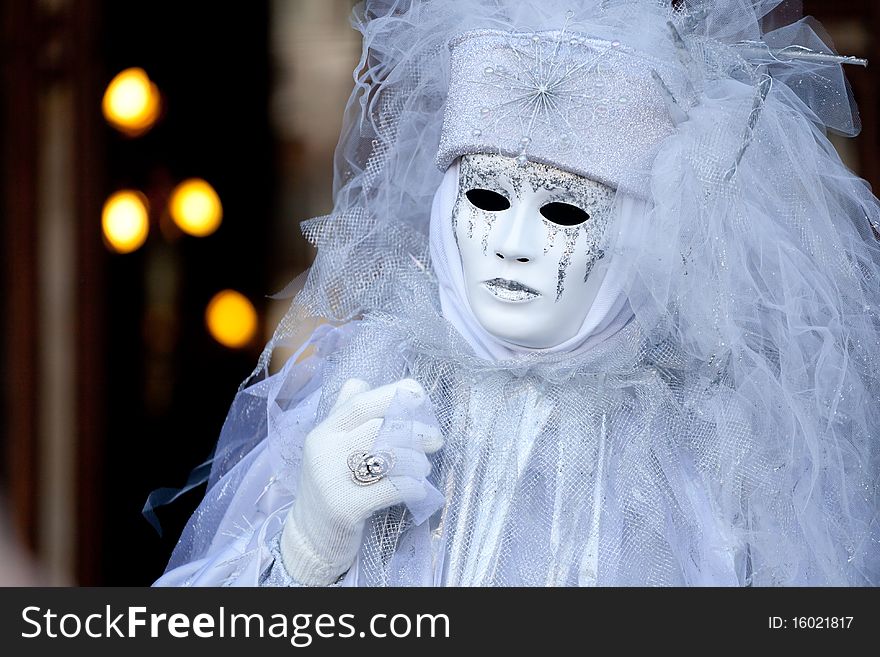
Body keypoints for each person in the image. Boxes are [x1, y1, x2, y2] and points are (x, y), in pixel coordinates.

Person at [154, 0, 880, 587]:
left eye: (565, 210)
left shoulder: (712, 442)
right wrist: (305, 552)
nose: (513, 241)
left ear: (638, 234)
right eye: (488, 197)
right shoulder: (371, 386)